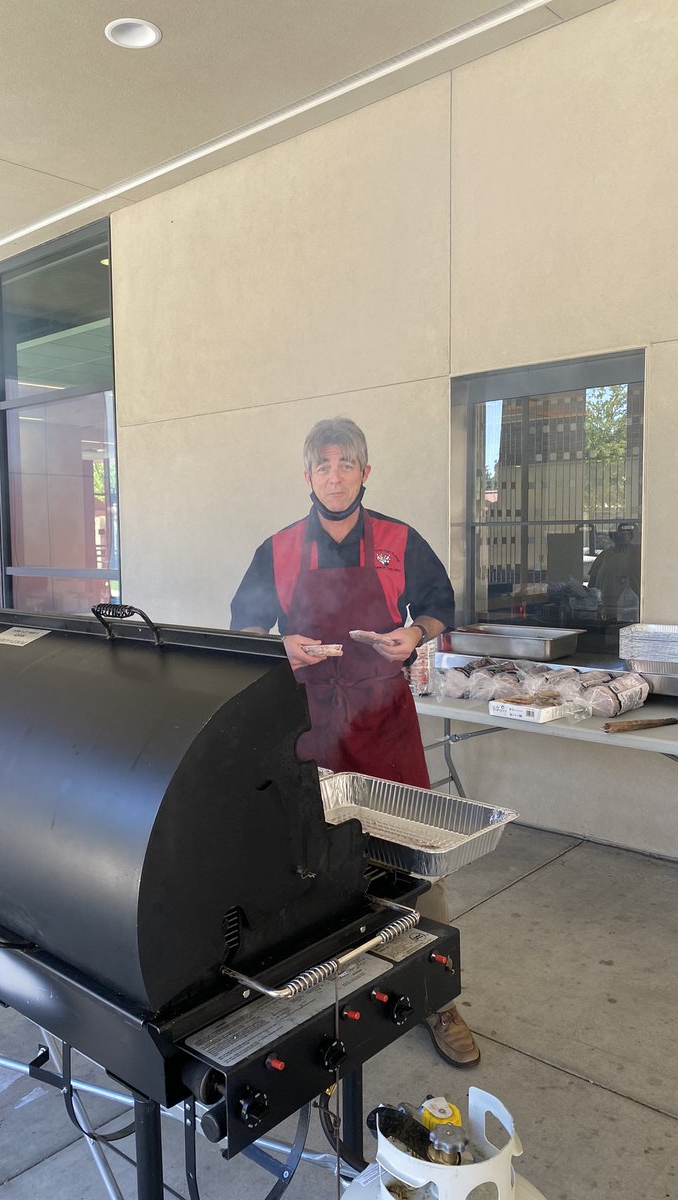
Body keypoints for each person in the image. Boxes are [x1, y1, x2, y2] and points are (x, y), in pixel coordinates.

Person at [230, 418, 480, 1066]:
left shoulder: (400, 541)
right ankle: (314, 1010)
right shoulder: (279, 549)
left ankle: (437, 995)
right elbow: (244, 628)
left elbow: (437, 605)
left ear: (365, 472)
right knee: (309, 862)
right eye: (323, 466)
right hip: (308, 726)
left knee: (416, 855)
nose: (335, 476)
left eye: (347, 464)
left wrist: (414, 633)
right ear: (307, 475)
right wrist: (279, 644)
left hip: (383, 722)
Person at [587, 524, 641, 621]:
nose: (620, 535)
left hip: (634, 604)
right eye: (616, 533)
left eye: (624, 532)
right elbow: (592, 582)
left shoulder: (639, 552)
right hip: (608, 604)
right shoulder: (604, 555)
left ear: (631, 535)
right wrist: (591, 602)